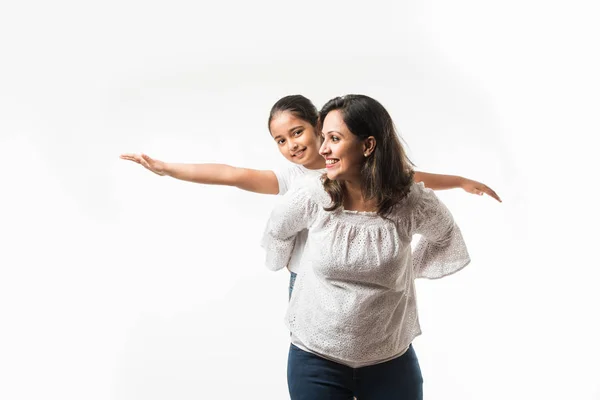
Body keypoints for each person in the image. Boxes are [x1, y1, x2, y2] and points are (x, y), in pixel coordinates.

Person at [120, 95, 499, 299]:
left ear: (320, 126)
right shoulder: (293, 178)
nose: (291, 145)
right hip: (308, 282)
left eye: (297, 132)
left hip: (365, 281)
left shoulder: (360, 165)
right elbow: (231, 175)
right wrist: (168, 168)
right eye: (280, 141)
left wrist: (463, 180)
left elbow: (413, 179)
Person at [261, 94, 472, 399]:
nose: (323, 150)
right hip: (315, 358)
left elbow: (447, 237)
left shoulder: (411, 202)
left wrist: (406, 271)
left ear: (368, 145)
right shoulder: (312, 195)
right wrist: (288, 264)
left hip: (390, 360)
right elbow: (277, 231)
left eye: (334, 138)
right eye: (323, 138)